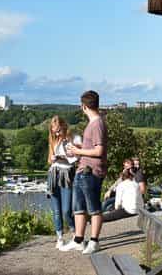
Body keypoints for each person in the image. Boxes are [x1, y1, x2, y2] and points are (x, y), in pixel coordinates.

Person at [60, 90, 108, 255]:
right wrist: (78, 149)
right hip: (83, 169)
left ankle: (94, 241)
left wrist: (78, 152)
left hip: (92, 171)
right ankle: (78, 240)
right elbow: (93, 149)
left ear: (84, 106)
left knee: (94, 208)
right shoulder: (93, 124)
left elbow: (99, 150)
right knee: (78, 207)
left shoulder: (97, 124)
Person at [45, 116, 76, 249]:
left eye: (58, 130)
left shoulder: (71, 139)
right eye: (54, 131)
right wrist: (53, 158)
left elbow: (75, 159)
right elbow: (49, 161)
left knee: (66, 210)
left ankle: (76, 234)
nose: (57, 133)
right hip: (53, 174)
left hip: (66, 174)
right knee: (56, 211)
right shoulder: (52, 140)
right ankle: (59, 238)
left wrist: (63, 158)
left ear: (64, 126)